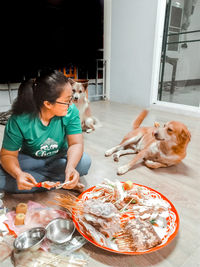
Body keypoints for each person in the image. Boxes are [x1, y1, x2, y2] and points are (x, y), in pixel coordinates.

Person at [0, 70, 91, 193]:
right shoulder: (19, 120)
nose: (70, 104)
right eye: (66, 101)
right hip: (31, 159)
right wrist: (18, 174)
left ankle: (39, 183)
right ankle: (60, 182)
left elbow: (76, 144)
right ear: (48, 103)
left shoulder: (71, 111)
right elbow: (8, 155)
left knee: (84, 162)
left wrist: (70, 167)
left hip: (59, 156)